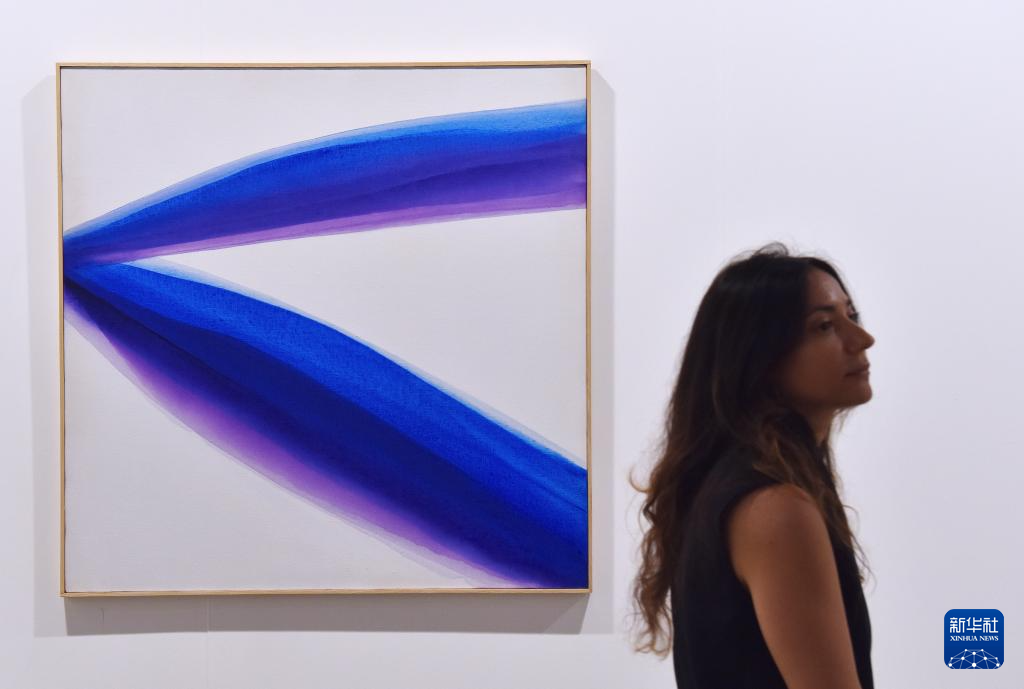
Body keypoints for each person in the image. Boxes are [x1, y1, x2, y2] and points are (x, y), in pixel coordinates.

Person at [630, 242, 876, 689]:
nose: (861, 339)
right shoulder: (775, 507)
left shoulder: (737, 485)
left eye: (851, 315)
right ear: (760, 356)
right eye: (824, 326)